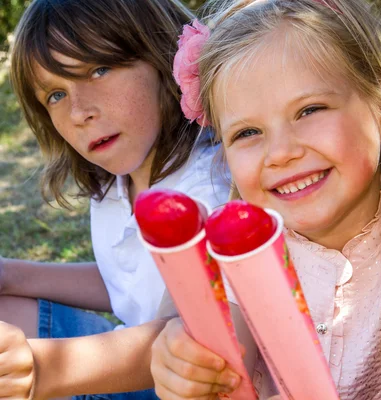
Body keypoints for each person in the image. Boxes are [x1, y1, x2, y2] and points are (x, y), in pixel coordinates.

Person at [149, 0, 381, 399]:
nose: (280, 152)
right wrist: (188, 362)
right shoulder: (236, 256)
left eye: (309, 110)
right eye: (247, 133)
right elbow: (223, 355)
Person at [0, 0, 230, 398]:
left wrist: (41, 369)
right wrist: (10, 275)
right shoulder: (114, 183)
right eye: (55, 94)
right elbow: (128, 282)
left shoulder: (211, 188)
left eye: (99, 70)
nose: (78, 112)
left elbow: (200, 335)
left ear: (162, 57)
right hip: (129, 360)